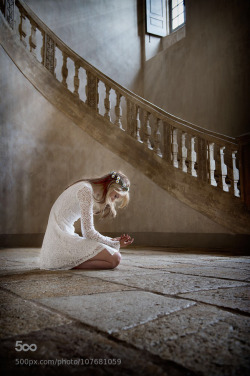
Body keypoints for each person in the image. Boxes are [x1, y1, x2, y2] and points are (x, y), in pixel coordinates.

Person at [39, 171, 134, 271]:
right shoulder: (85, 191)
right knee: (115, 258)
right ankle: (67, 263)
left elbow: (88, 232)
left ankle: (69, 262)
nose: (113, 200)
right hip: (60, 240)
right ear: (110, 186)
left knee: (114, 256)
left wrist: (111, 240)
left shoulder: (85, 187)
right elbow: (88, 233)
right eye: (115, 196)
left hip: (58, 239)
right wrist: (115, 243)